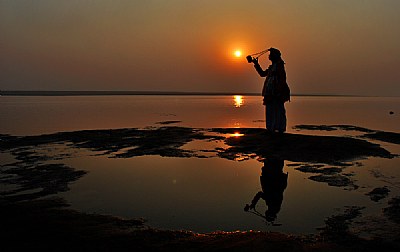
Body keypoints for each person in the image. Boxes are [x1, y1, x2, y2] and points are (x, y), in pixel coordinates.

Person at [250, 48, 289, 133]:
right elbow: (262, 74)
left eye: (271, 55)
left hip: (277, 93)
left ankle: (279, 128)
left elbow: (283, 79)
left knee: (278, 110)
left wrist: (279, 90)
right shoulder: (272, 67)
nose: (269, 56)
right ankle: (271, 128)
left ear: (275, 56)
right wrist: (256, 64)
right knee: (271, 110)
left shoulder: (279, 66)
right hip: (270, 93)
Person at [244, 158, 288, 222]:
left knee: (276, 157)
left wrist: (253, 204)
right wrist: (253, 204)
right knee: (274, 158)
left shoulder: (273, 205)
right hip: (271, 175)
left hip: (274, 175)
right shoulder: (273, 204)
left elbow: (260, 194)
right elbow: (260, 194)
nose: (265, 213)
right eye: (267, 215)